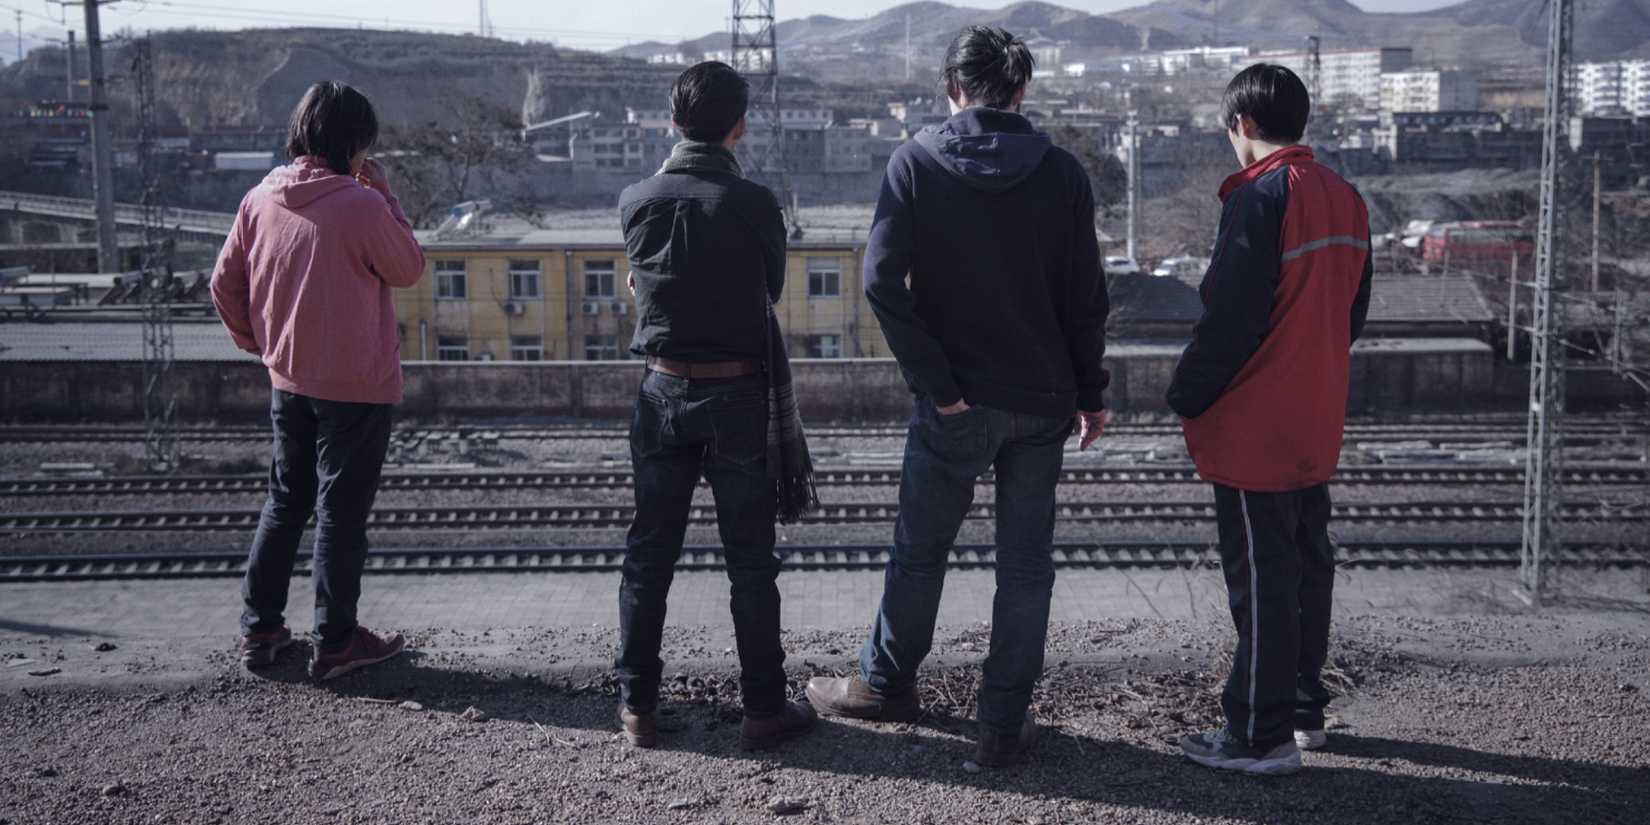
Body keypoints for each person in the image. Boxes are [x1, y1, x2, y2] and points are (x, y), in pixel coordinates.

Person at [805, 26, 1111, 769]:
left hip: (955, 402)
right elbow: (1086, 295)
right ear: (1021, 91)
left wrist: (934, 383)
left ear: (952, 89)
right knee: (1026, 565)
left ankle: (885, 684)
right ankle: (1002, 723)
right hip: (1041, 399)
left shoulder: (917, 163)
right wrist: (1090, 390)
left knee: (920, 551)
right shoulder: (1063, 173)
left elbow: (879, 281)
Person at [1166, 63, 1373, 776]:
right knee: (1309, 562)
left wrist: (1186, 393)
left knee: (1262, 577)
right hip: (1316, 414)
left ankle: (1260, 733)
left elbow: (1231, 317)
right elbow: (1352, 313)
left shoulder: (1261, 196)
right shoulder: (1345, 196)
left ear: (1242, 125)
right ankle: (1303, 707)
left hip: (1256, 420)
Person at [613, 61, 820, 751]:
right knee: (751, 562)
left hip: (661, 389)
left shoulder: (634, 200)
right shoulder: (756, 203)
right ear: (740, 126)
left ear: (672, 121)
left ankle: (637, 707)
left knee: (648, 558)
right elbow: (770, 285)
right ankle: (763, 708)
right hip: (739, 393)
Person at [211, 81, 425, 681]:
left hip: (290, 381)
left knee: (285, 500)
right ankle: (336, 644)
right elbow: (407, 267)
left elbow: (223, 286)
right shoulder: (361, 206)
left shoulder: (260, 199)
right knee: (340, 514)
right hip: (355, 388)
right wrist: (386, 195)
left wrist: (259, 345)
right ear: (356, 144)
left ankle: (262, 629)